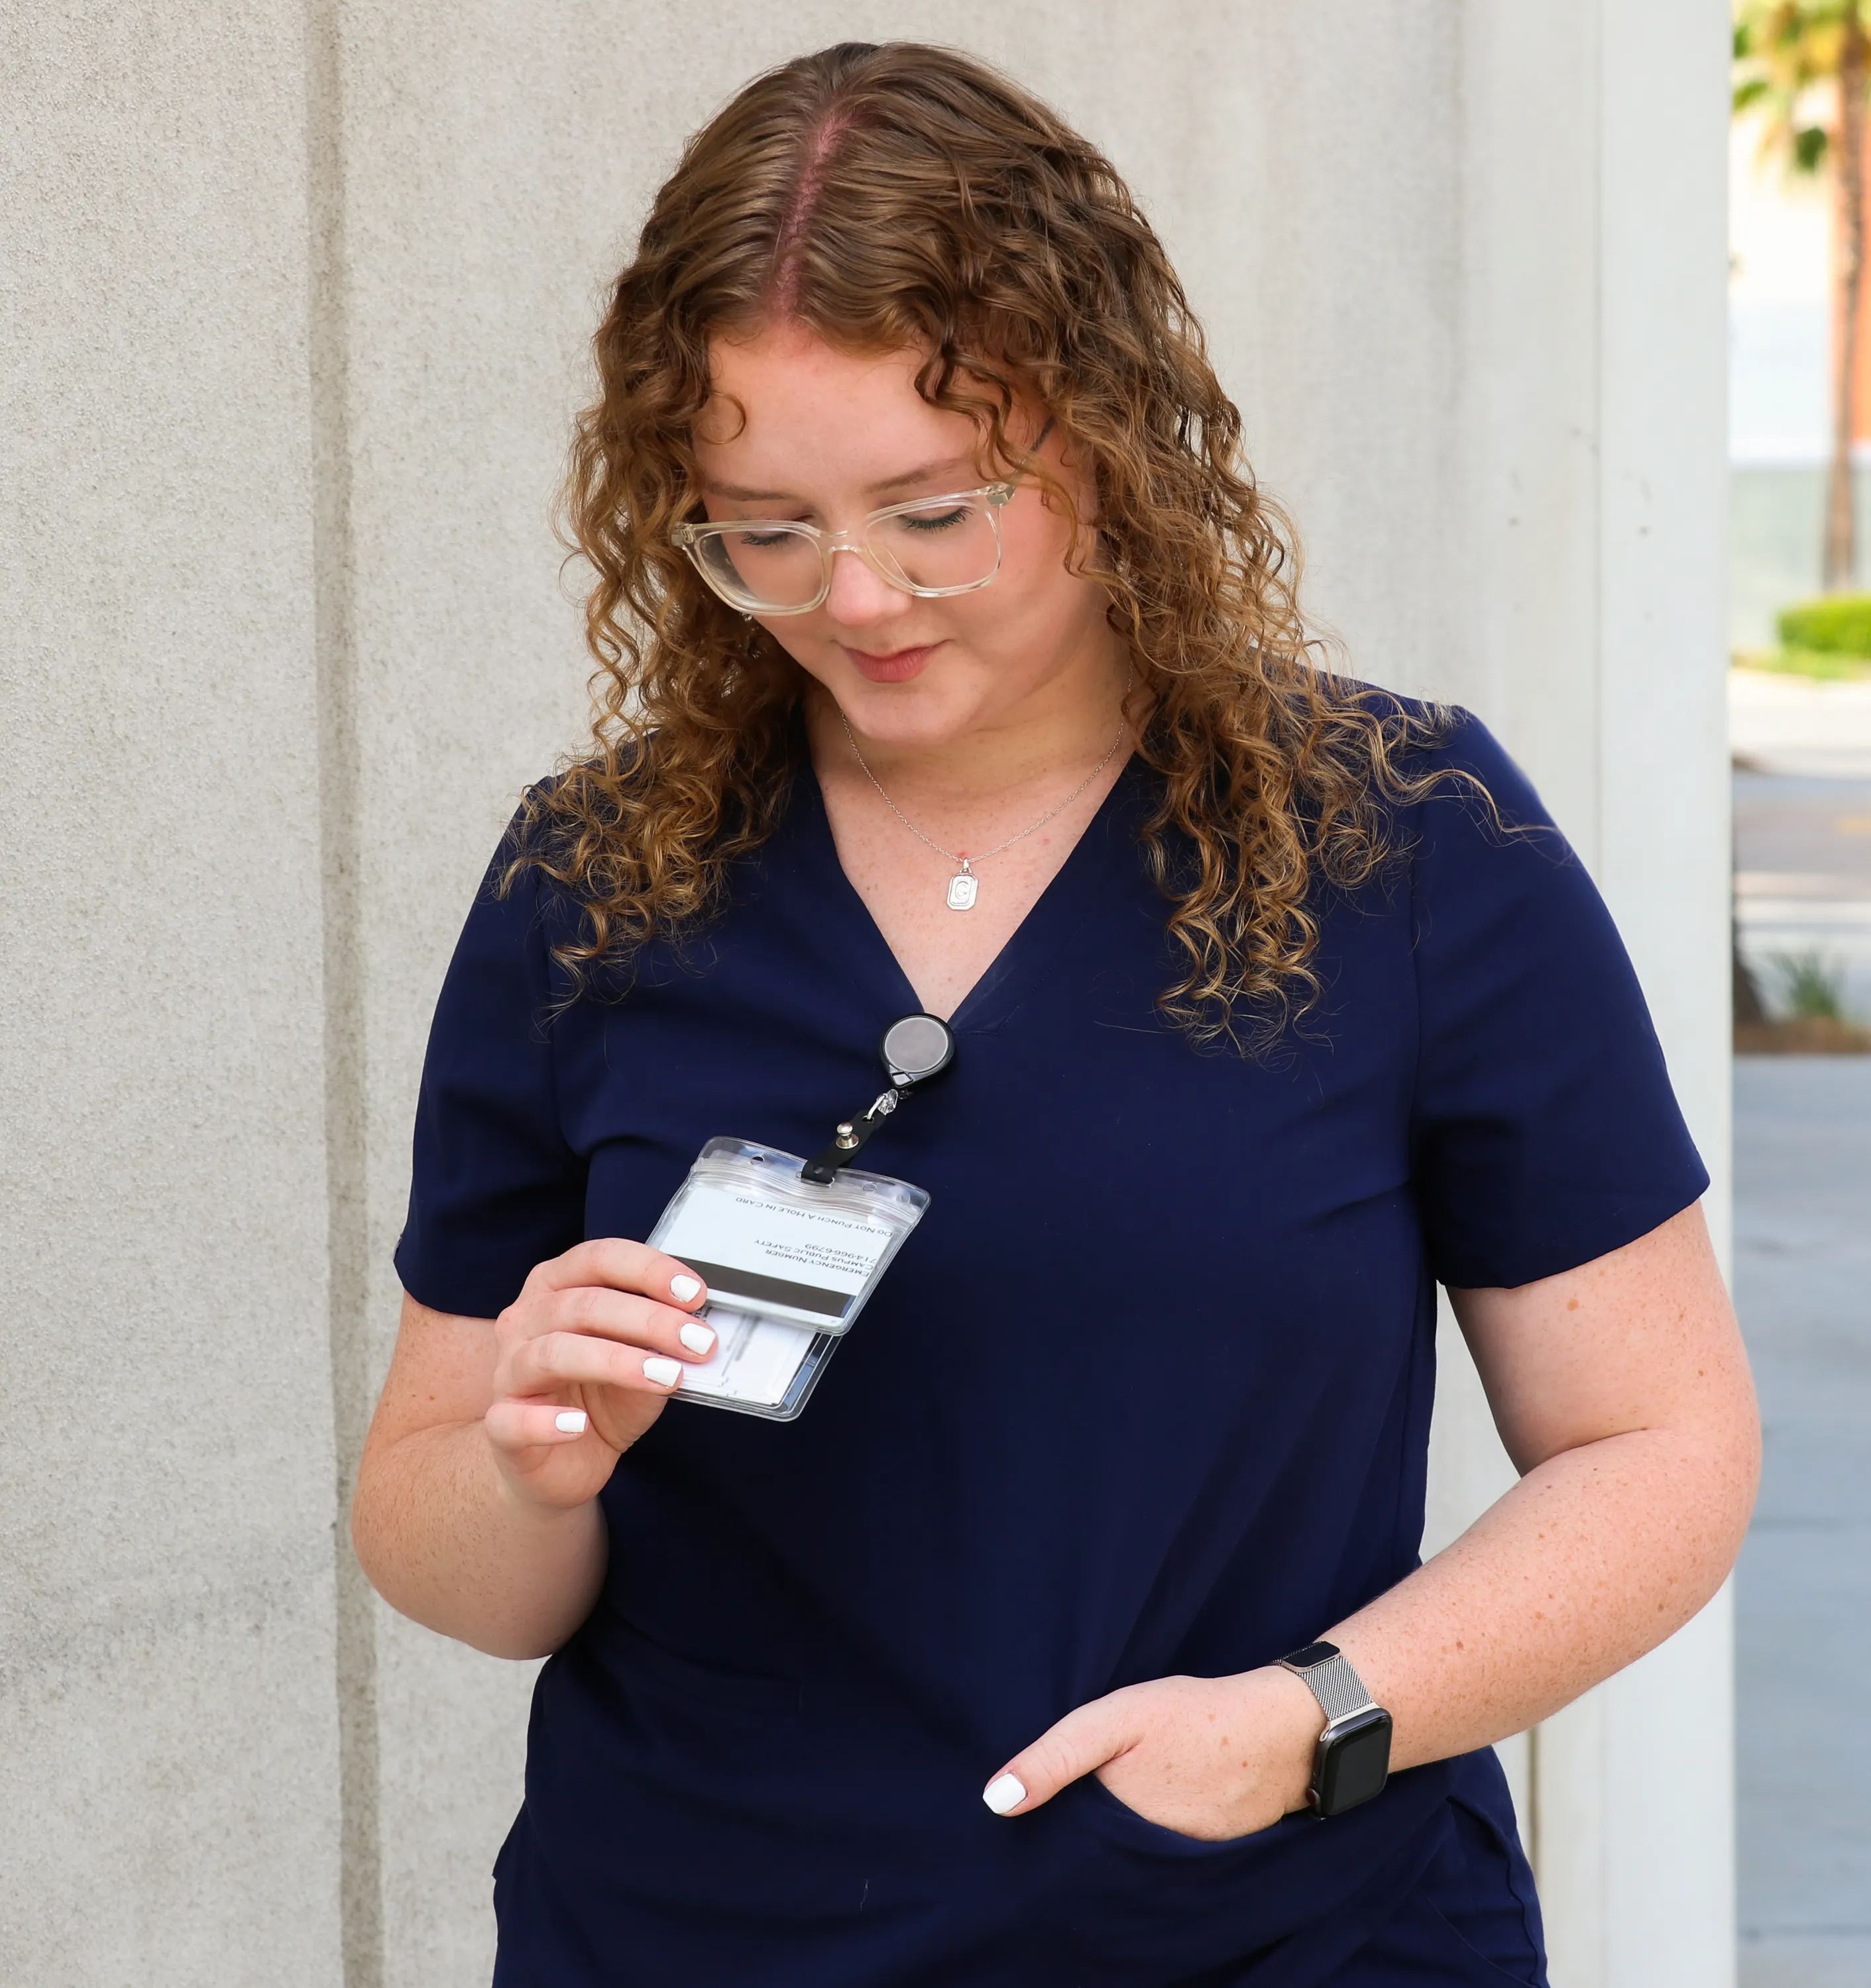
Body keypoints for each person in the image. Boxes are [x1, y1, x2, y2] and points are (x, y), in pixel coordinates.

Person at [352, 41, 1759, 1988]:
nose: (853, 600)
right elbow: (445, 1549)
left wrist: (1311, 1721)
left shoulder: (1407, 848)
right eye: (759, 527)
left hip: (1283, 1928)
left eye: (935, 512)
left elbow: (1661, 1443)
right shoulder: (593, 885)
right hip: (693, 1932)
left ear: (1102, 436)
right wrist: (529, 1461)